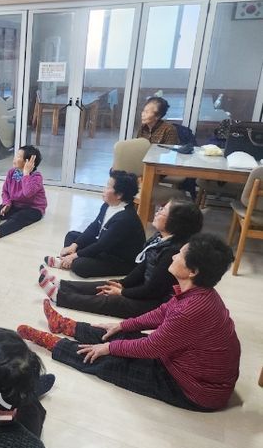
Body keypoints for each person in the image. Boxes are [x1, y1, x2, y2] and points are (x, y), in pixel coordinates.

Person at [18, 233, 240, 412]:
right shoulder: (199, 293)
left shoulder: (192, 309)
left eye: (180, 255)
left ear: (193, 271)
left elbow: (151, 347)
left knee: (109, 361)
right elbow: (162, 313)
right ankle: (65, 325)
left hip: (192, 389)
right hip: (182, 363)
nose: (173, 256)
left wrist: (108, 348)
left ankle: (53, 342)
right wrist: (122, 325)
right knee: (117, 334)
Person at [39, 199, 203, 318]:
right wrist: (123, 283)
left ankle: (60, 297)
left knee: (112, 301)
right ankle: (62, 285)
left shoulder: (172, 252)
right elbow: (142, 268)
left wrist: (123, 292)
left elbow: (153, 290)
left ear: (175, 222)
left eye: (163, 211)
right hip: (146, 287)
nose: (157, 212)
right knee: (109, 284)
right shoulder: (160, 237)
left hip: (156, 302)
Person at [43, 170, 145, 278]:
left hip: (119, 259)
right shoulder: (107, 205)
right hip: (106, 248)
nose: (104, 189)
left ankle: (67, 261)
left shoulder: (125, 218)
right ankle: (67, 261)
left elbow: (102, 245)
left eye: (108, 187)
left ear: (119, 194)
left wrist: (75, 256)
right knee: (72, 236)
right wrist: (74, 246)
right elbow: (95, 227)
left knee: (80, 265)